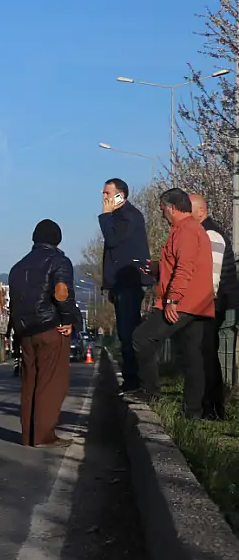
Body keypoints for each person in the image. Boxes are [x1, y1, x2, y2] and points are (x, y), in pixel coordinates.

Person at [132, 188, 215, 419]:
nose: (162, 215)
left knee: (142, 337)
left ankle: (150, 392)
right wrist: (159, 268)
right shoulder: (192, 230)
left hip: (183, 303)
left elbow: (185, 267)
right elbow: (184, 262)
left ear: (171, 207)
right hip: (199, 303)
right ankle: (193, 412)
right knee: (192, 357)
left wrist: (172, 300)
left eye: (163, 210)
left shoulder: (185, 231)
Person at [8, 220, 82, 448]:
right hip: (51, 327)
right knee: (51, 382)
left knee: (30, 382)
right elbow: (62, 294)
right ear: (57, 239)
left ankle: (28, 435)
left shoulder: (17, 267)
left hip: (25, 332)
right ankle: (44, 435)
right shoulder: (59, 261)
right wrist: (68, 320)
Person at [99, 178, 151, 393]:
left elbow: (112, 241)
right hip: (121, 284)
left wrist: (105, 215)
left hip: (130, 283)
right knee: (124, 331)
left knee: (128, 332)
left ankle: (134, 381)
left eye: (107, 193)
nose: (104, 197)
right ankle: (132, 380)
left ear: (120, 195)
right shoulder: (120, 217)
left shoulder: (128, 217)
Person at [189, 194, 239, 419]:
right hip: (211, 302)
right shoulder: (205, 233)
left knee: (206, 354)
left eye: (188, 211)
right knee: (205, 353)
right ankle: (210, 406)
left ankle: (212, 407)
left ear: (201, 211)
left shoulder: (209, 235)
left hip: (211, 303)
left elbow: (212, 277)